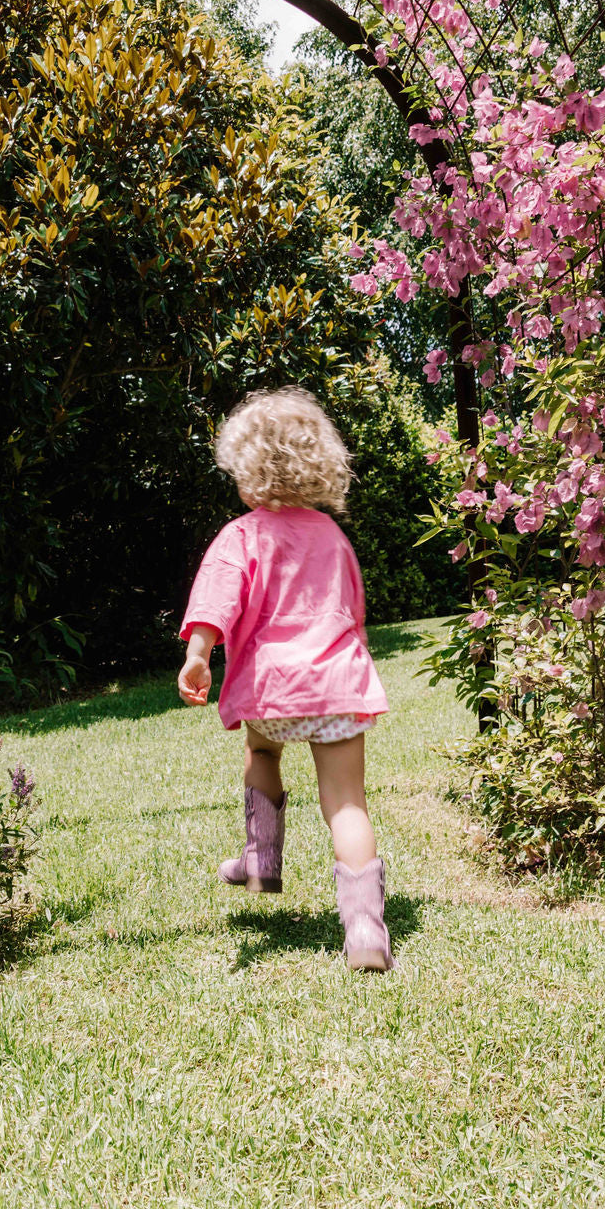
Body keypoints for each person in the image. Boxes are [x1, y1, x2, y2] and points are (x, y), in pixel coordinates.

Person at [177, 385, 394, 972]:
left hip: (274, 691)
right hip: (337, 684)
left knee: (263, 752)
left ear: (247, 474)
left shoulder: (242, 536)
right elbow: (353, 610)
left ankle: (261, 860)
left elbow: (215, 604)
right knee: (347, 804)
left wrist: (198, 655)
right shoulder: (333, 536)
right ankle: (367, 930)